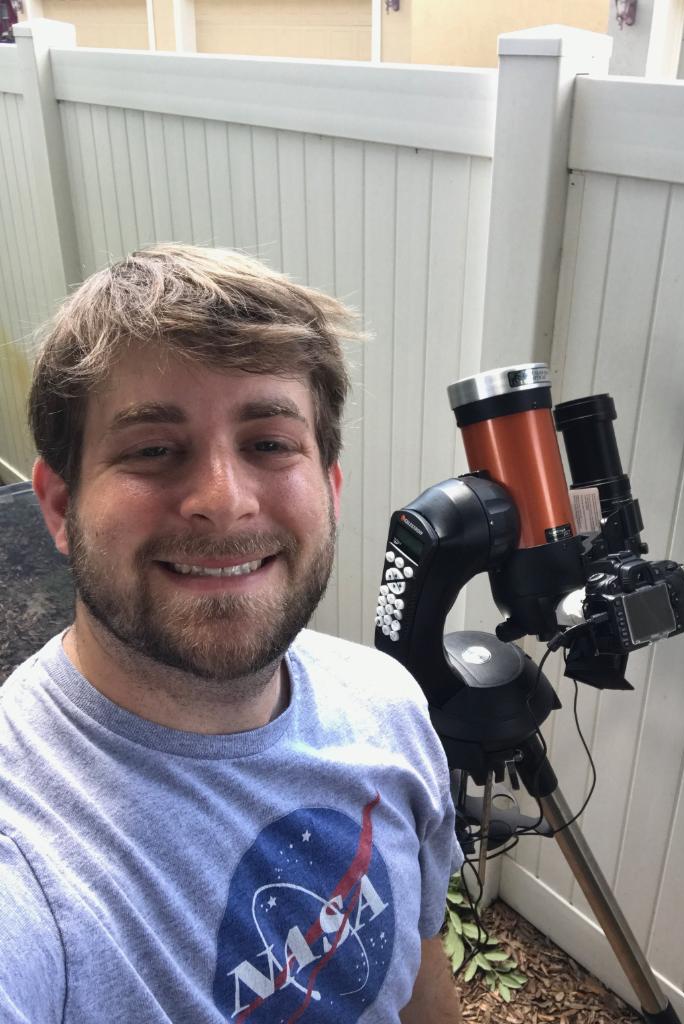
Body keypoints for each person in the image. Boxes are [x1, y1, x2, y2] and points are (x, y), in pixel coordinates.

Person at [0, 244, 463, 1023]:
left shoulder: (387, 703)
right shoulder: (29, 859)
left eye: (270, 443)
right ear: (57, 507)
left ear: (329, 488)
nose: (224, 501)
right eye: (153, 450)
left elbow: (417, 968)